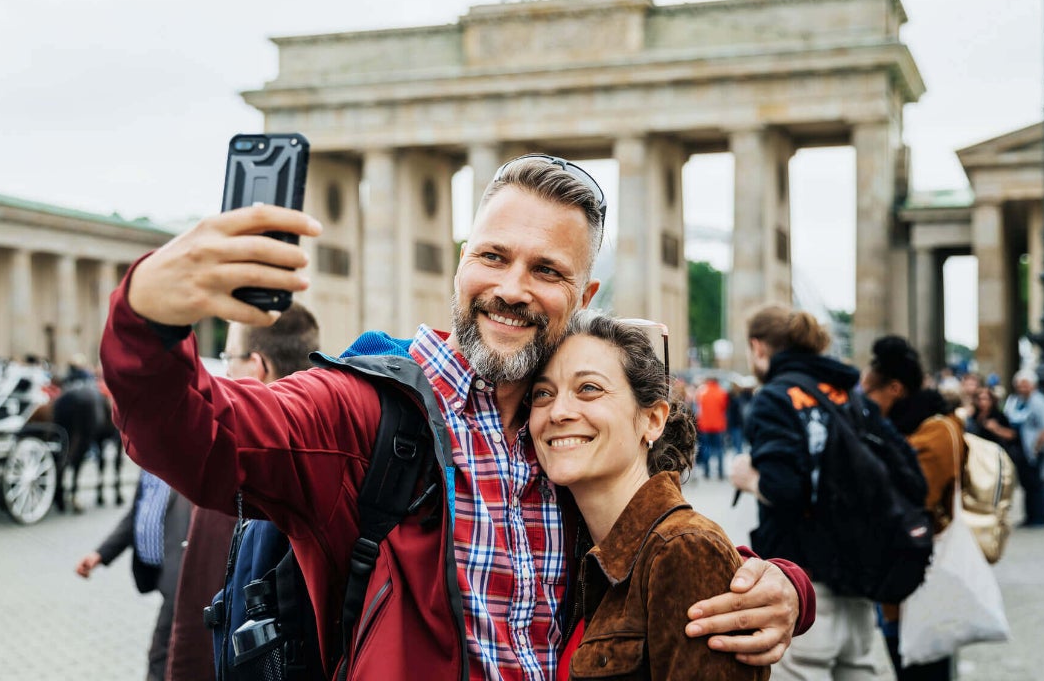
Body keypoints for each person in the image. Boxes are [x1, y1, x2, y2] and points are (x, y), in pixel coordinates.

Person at [101, 155, 814, 679]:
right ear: (460, 263)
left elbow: (649, 542)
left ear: (584, 292)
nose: (511, 288)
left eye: (547, 270)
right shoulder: (362, 414)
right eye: (493, 257)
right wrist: (148, 318)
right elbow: (202, 435)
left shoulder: (564, 431)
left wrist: (781, 584)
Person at [529, 311, 767, 680]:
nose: (559, 411)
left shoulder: (682, 551)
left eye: (589, 388)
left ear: (653, 420)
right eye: (543, 393)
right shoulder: (573, 551)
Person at [728, 303, 891, 680]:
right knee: (860, 668)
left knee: (801, 670)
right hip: (859, 569)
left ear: (758, 347)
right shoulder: (847, 393)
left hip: (804, 577)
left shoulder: (774, 397)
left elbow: (786, 490)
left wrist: (748, 478)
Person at [164, 306, 321, 680]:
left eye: (228, 357)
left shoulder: (237, 464)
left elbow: (195, 611)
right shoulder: (338, 447)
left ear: (256, 365)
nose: (225, 370)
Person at [861, 336, 966, 681]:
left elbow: (910, 497)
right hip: (899, 577)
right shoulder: (910, 427)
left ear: (895, 388)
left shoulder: (935, 432)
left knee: (924, 672)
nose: (865, 404)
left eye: (870, 394)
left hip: (923, 578)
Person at [75, 470, 189, 681]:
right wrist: (100, 554)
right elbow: (136, 515)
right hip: (156, 574)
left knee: (161, 652)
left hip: (180, 578)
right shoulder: (148, 468)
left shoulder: (184, 464)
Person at [1003, 370, 1044, 528]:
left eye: (1025, 385)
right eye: (1019, 385)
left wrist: (1036, 448)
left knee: (1036, 484)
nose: (1022, 388)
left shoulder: (1039, 402)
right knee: (1027, 484)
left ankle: (1040, 517)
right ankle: (1031, 515)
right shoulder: (1016, 401)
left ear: (1033, 385)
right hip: (1021, 448)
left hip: (1033, 449)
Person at [696, 375, 729, 480]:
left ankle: (707, 472)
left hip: (705, 425)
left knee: (706, 448)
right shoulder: (722, 393)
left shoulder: (702, 393)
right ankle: (720, 472)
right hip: (718, 425)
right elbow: (724, 408)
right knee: (719, 449)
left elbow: (698, 408)